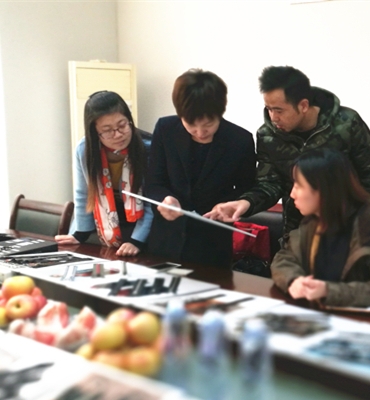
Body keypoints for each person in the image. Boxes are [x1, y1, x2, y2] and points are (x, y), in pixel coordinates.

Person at [208, 66, 370, 239]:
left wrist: (368, 224)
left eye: (279, 110)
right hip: (297, 230)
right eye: (269, 109)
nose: (273, 117)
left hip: (346, 228)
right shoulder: (268, 135)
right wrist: (244, 203)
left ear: (303, 105)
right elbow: (269, 183)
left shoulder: (347, 124)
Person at [270, 148, 370, 311]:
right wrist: (294, 280)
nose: (292, 194)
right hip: (317, 315)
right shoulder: (312, 223)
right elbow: (284, 258)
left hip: (365, 322)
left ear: (323, 189)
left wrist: (329, 291)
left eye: (299, 186)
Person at [145, 69, 256, 267]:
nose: (200, 132)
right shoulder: (165, 129)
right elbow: (154, 182)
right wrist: (165, 199)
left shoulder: (240, 140)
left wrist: (228, 207)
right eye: (190, 124)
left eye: (208, 124)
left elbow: (247, 188)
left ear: (220, 113)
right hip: (166, 240)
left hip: (212, 243)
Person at [55, 91, 152, 256]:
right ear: (94, 132)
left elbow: (151, 203)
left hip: (142, 227)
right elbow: (84, 194)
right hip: (104, 225)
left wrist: (137, 240)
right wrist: (79, 234)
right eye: (107, 130)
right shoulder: (85, 150)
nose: (118, 134)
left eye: (122, 125)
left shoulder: (148, 149)